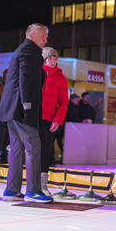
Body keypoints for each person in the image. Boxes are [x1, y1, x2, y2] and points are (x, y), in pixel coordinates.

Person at [0, 23, 52, 203]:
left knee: (17, 149)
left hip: (13, 109)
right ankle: (33, 190)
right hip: (21, 109)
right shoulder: (30, 50)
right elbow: (26, 79)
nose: (46, 40)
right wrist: (27, 106)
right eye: (43, 36)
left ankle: (12, 190)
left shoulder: (23, 50)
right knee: (33, 147)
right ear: (31, 35)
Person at [39, 47, 68, 196]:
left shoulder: (60, 77)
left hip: (49, 120)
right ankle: (30, 184)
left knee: (45, 152)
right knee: (30, 152)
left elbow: (64, 102)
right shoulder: (37, 73)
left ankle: (43, 185)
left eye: (55, 58)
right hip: (33, 119)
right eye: (50, 58)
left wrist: (58, 120)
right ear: (44, 59)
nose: (53, 61)